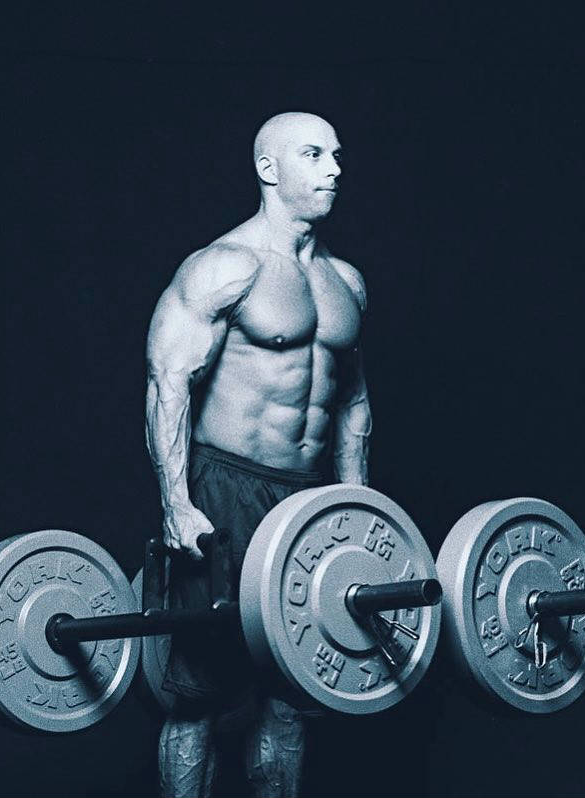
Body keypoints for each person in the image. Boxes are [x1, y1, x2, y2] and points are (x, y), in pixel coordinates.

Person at [144, 111, 371, 797]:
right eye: (313, 154)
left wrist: (359, 509)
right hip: (225, 490)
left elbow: (352, 404)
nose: (334, 169)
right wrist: (177, 504)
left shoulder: (346, 283)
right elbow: (167, 384)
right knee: (199, 698)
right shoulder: (223, 268)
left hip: (307, 499)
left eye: (336, 154)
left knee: (291, 691)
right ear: (269, 168)